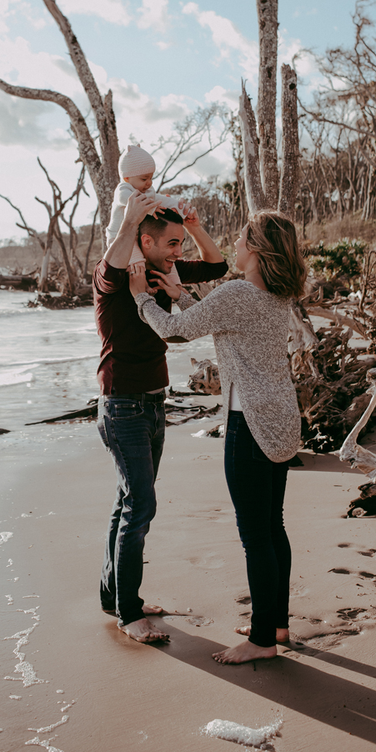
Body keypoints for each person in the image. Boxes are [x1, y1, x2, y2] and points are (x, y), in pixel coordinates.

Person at [129, 211, 306, 664]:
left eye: (243, 237)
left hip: (249, 424)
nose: (236, 242)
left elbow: (175, 331)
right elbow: (220, 321)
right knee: (273, 526)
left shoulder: (237, 292)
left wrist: (141, 300)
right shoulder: (275, 293)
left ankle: (263, 640)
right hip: (281, 417)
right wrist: (183, 294)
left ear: (257, 250)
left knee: (255, 536)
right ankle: (277, 624)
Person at [94, 189, 228, 644]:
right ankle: (129, 614)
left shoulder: (163, 270)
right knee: (140, 504)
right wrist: (130, 219)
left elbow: (217, 266)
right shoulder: (115, 276)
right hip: (122, 405)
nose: (179, 252)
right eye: (171, 243)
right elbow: (111, 263)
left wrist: (191, 225)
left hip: (154, 403)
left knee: (128, 500)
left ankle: (115, 596)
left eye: (180, 245)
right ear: (146, 241)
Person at [106, 144, 187, 288]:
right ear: (127, 178)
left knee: (170, 265)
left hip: (136, 236)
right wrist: (152, 208)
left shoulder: (147, 190)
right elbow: (129, 199)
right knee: (137, 263)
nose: (149, 183)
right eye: (144, 179)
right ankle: (143, 287)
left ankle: (177, 286)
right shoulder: (123, 189)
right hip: (119, 239)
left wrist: (180, 207)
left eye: (151, 178)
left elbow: (162, 199)